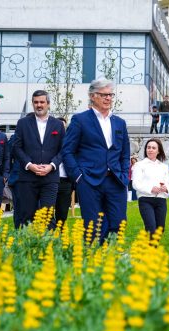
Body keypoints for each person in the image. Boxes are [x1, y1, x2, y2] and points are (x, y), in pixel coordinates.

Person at [62, 78, 130, 243]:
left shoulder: (119, 123)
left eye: (110, 95)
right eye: (104, 95)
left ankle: (113, 258)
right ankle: (93, 260)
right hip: (89, 181)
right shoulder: (80, 120)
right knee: (93, 226)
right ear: (92, 96)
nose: (108, 98)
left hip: (115, 180)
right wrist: (78, 177)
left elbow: (125, 152)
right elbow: (67, 151)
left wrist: (123, 173)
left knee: (118, 223)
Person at [12, 90, 65, 228]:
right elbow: (16, 147)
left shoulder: (58, 125)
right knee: (27, 216)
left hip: (50, 177)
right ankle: (28, 248)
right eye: (36, 102)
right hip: (28, 177)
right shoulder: (23, 123)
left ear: (48, 104)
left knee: (48, 217)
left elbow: (64, 150)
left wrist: (52, 165)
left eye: (42, 102)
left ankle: (49, 247)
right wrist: (29, 165)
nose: (39, 105)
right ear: (32, 104)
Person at [132, 138, 169, 236]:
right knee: (151, 228)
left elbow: (168, 183)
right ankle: (148, 250)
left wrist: (166, 188)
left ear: (158, 151)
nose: (150, 149)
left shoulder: (164, 166)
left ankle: (153, 250)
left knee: (160, 230)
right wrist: (150, 189)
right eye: (148, 147)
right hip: (145, 200)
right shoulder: (139, 165)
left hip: (161, 200)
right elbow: (135, 183)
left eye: (153, 148)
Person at [54, 117, 73, 226]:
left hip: (66, 181)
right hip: (50, 180)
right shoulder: (48, 142)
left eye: (64, 126)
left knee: (62, 212)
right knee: (47, 212)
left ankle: (60, 235)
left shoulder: (69, 143)